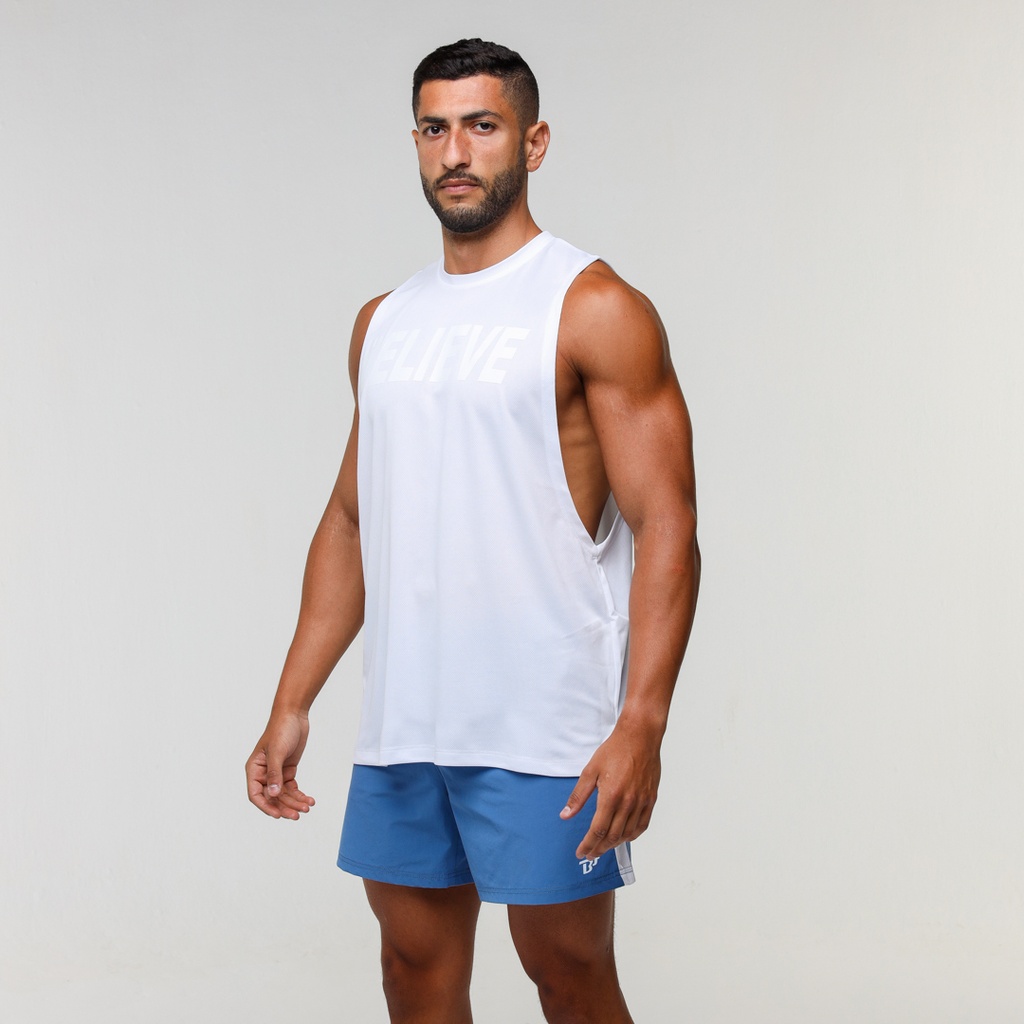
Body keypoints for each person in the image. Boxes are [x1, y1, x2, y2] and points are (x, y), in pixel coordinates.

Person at [246, 38, 700, 1024]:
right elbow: (350, 517)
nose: (455, 151)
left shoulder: (593, 306)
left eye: (482, 126)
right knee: (412, 968)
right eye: (435, 128)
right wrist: (292, 701)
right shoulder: (383, 322)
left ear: (532, 143)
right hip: (406, 718)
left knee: (568, 971)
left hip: (546, 724)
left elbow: (668, 523)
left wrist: (642, 721)